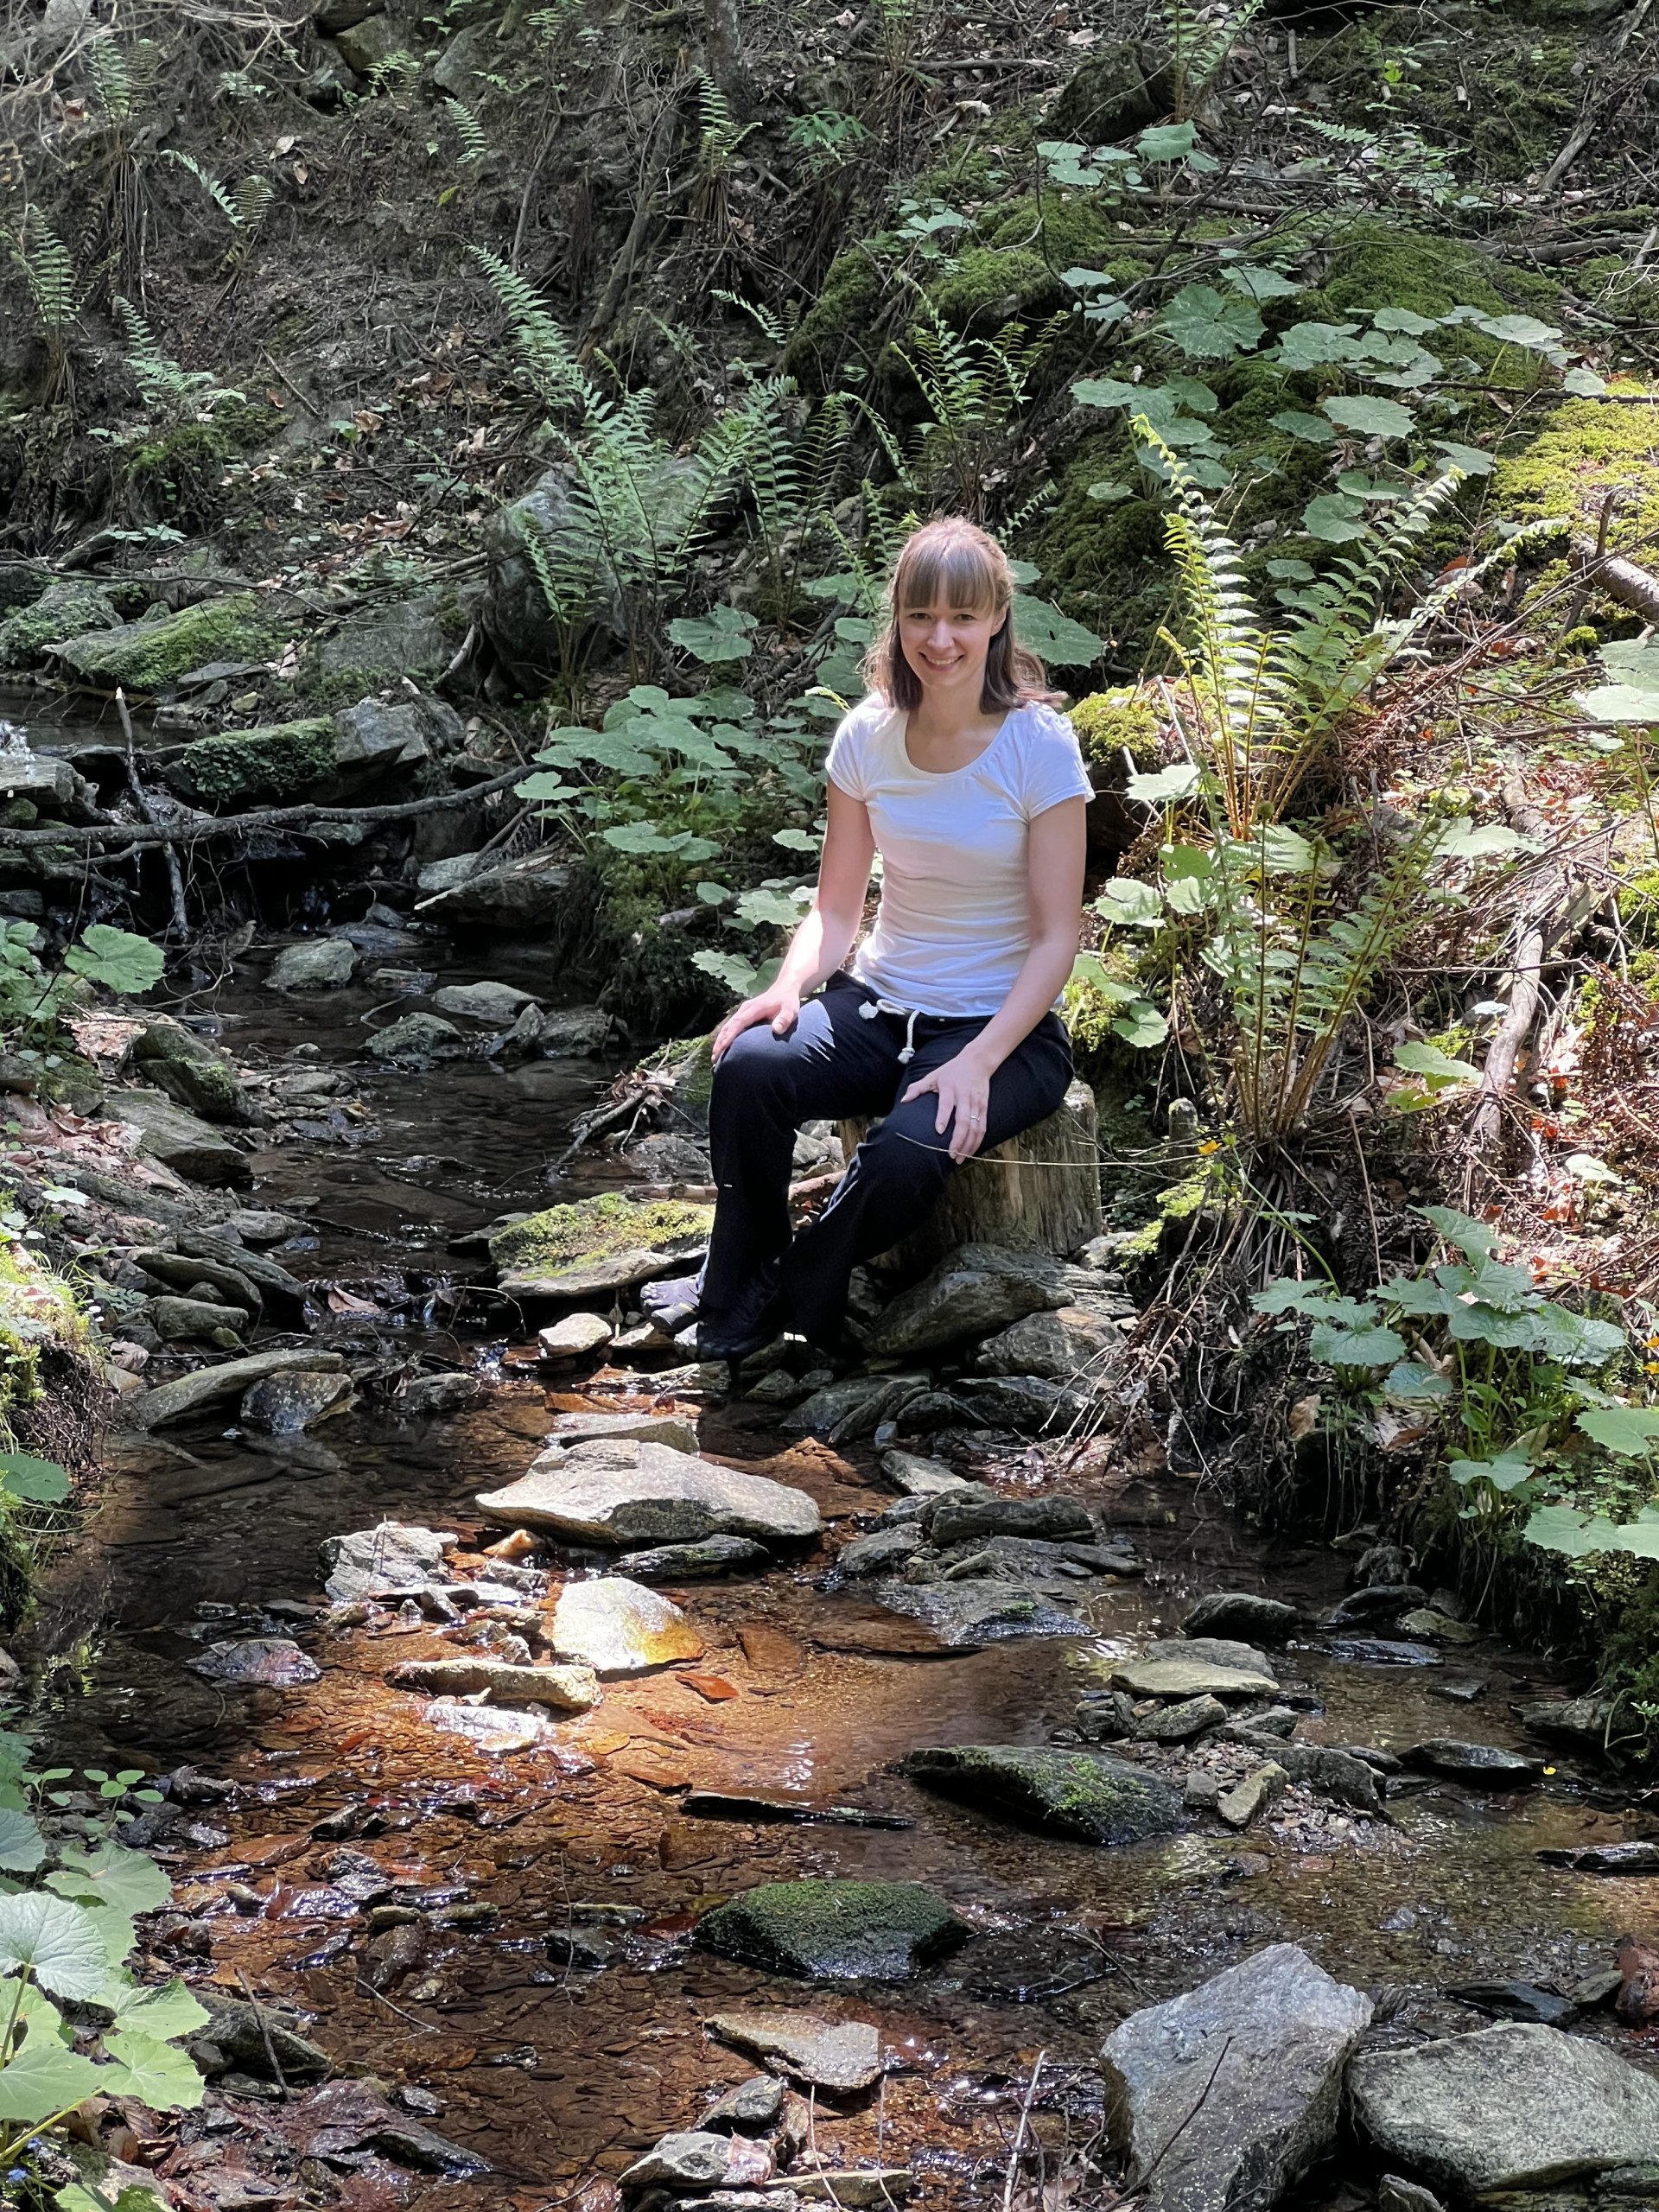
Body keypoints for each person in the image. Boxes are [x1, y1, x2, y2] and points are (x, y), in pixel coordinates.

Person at [645, 515, 1092, 1360]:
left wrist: (978, 1061)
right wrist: (788, 987)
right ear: (898, 618)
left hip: (1006, 1031)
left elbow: (1055, 937)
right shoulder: (867, 736)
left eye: (962, 616)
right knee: (748, 1067)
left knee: (906, 1155)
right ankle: (735, 1271)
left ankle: (791, 1279)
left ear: (997, 618)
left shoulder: (1039, 746)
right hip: (882, 1004)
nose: (941, 638)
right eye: (921, 615)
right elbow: (837, 910)